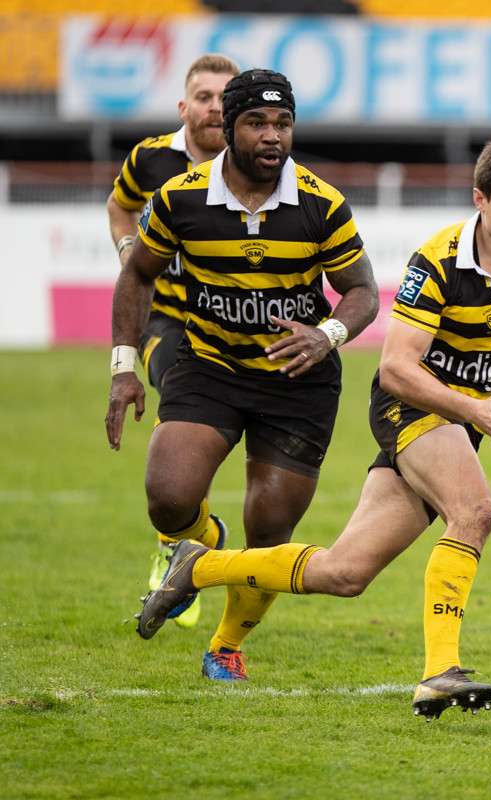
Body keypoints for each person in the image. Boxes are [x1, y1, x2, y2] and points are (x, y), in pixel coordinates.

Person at [136, 134, 491, 718]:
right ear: (480, 199)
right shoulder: (437, 260)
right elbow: (397, 368)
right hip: (410, 404)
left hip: (465, 421)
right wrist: (480, 410)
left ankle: (199, 565)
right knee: (475, 511)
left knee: (346, 571)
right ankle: (440, 673)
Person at [108, 68, 380, 682]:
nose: (272, 135)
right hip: (211, 366)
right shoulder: (180, 197)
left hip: (298, 380)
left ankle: (225, 646)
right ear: (229, 128)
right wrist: (123, 368)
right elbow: (139, 273)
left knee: (270, 534)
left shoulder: (321, 202)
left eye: (283, 123)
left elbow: (362, 291)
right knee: (168, 497)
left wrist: (327, 334)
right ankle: (202, 540)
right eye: (257, 122)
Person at [106, 52, 241, 628]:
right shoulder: (151, 159)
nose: (215, 108)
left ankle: (200, 535)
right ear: (184, 106)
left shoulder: (254, 164)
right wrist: (128, 253)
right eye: (204, 97)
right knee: (178, 396)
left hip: (234, 323)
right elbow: (119, 205)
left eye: (225, 99)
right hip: (167, 318)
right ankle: (176, 542)